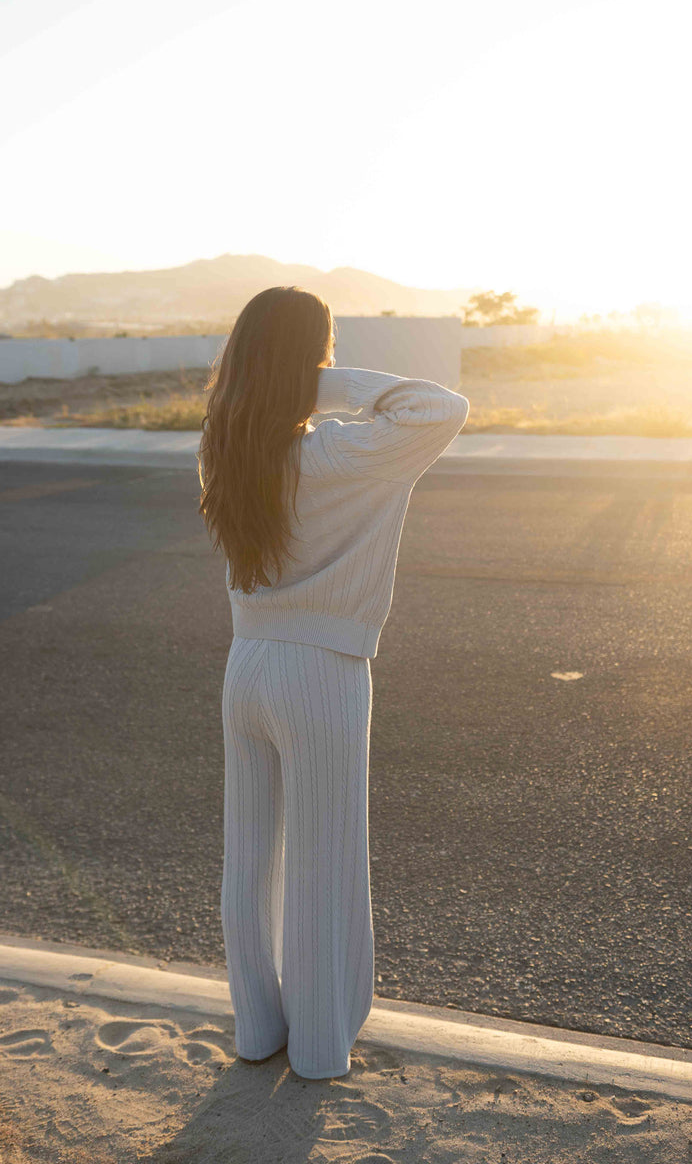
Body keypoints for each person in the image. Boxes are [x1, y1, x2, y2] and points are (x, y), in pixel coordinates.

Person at [197, 285, 469, 1080]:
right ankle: (317, 1051)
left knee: (247, 859)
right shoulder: (340, 453)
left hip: (246, 667)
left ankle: (257, 1031)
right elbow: (440, 408)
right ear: (312, 360)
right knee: (323, 860)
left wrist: (278, 386)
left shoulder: (227, 448)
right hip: (323, 673)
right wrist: (336, 384)